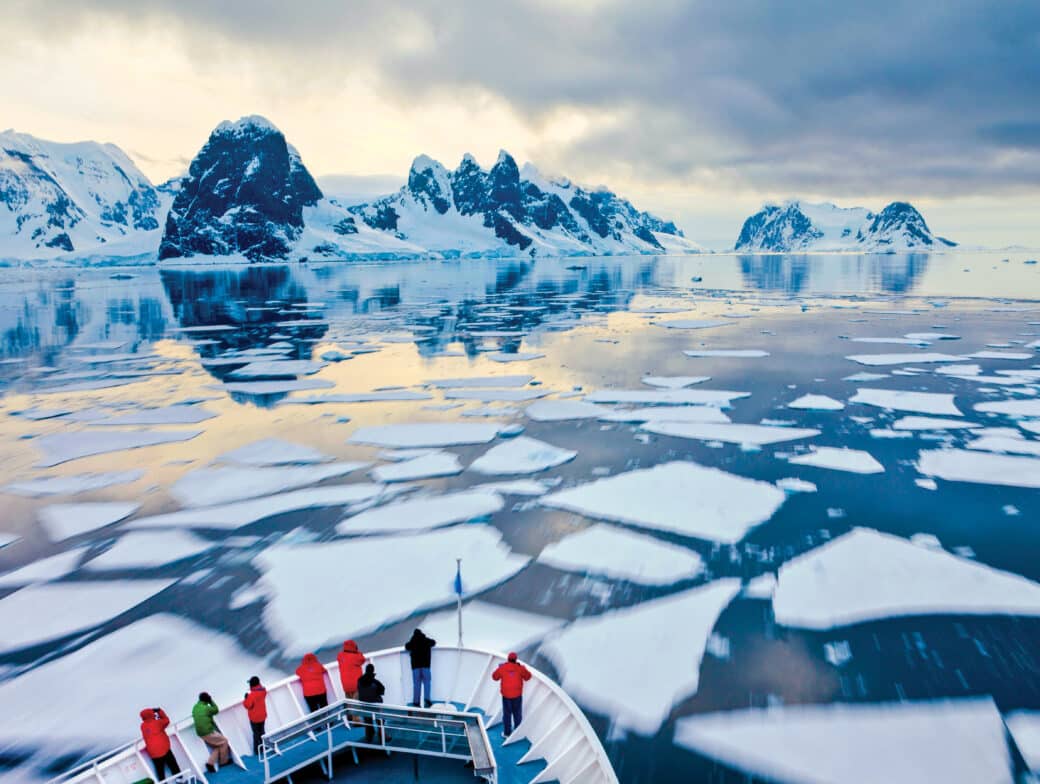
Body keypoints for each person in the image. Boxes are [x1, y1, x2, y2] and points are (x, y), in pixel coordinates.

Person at [492, 652, 532, 738]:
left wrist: (500, 669)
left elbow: (494, 677)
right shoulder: (520, 668)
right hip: (517, 695)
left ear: (508, 659)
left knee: (507, 714)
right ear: (515, 660)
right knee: (517, 714)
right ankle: (517, 733)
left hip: (506, 696)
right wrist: (523, 668)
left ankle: (507, 733)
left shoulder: (502, 668)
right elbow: (528, 677)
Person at [192, 692, 230, 773]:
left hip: (200, 733)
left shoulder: (195, 707)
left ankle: (210, 763)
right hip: (208, 731)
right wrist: (211, 701)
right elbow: (216, 710)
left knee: (218, 745)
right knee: (224, 741)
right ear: (207, 699)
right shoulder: (207, 708)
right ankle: (223, 762)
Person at [140, 707, 180, 781]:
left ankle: (163, 782)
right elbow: (166, 720)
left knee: (160, 771)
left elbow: (151, 725)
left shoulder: (143, 726)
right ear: (151, 714)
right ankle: (179, 779)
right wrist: (159, 711)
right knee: (173, 765)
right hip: (164, 749)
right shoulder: (158, 723)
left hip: (153, 753)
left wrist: (153, 716)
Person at [404, 629, 436, 707]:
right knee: (427, 683)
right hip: (426, 666)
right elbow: (433, 642)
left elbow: (406, 646)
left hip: (415, 667)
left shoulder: (412, 642)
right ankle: (427, 700)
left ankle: (416, 702)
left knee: (416, 684)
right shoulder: (426, 640)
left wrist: (412, 639)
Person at [357, 663, 386, 743]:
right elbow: (382, 691)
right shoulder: (375, 682)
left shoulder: (359, 680)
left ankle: (369, 734)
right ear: (373, 671)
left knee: (367, 719)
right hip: (375, 706)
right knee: (380, 719)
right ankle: (382, 733)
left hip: (364, 706)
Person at [243, 676, 268, 756]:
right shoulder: (263, 691)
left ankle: (259, 749)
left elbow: (248, 706)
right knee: (262, 732)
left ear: (251, 684)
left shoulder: (251, 695)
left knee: (256, 733)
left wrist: (246, 698)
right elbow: (261, 688)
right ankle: (261, 747)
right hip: (262, 715)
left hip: (254, 718)